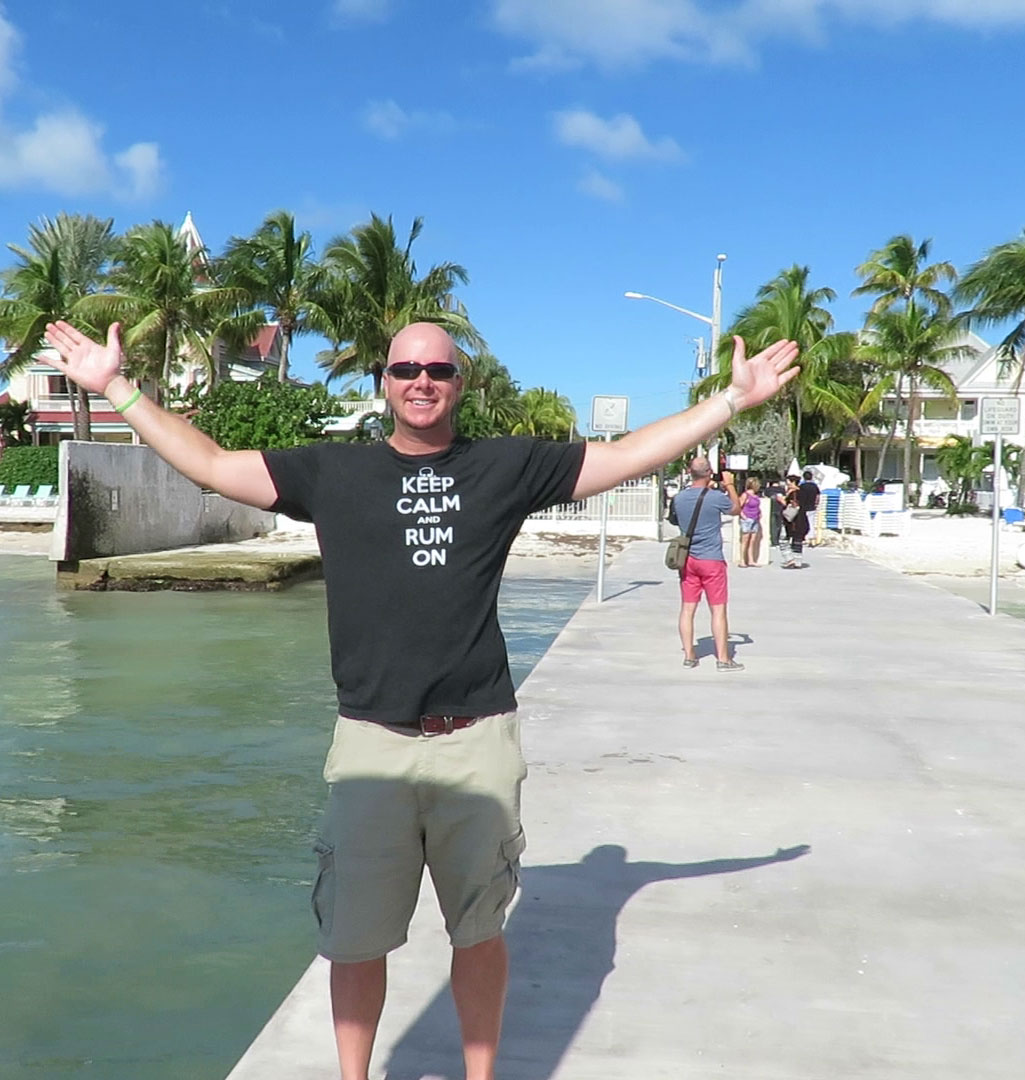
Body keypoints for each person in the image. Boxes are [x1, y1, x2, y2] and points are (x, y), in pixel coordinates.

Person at [40, 317, 798, 1080]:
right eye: (405, 369)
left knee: (480, 934)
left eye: (437, 369)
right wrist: (117, 388)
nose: (421, 380)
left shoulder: (506, 467)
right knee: (353, 940)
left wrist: (728, 404)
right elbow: (206, 462)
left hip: (478, 738)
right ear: (384, 383)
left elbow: (630, 453)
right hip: (371, 743)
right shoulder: (332, 474)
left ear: (459, 383)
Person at [670, 457, 742, 670]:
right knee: (718, 610)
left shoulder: (679, 498)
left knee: (687, 609)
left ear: (689, 472)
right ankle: (723, 659)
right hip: (711, 559)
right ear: (710, 473)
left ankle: (689, 656)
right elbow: (736, 509)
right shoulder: (715, 497)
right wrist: (729, 483)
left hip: (688, 559)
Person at [779, 477, 809, 569]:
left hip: (792, 520)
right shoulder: (804, 493)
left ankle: (789, 559)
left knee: (783, 540)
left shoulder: (793, 493)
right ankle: (798, 561)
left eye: (788, 482)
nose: (787, 484)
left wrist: (781, 499)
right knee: (797, 541)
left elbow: (788, 504)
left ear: (793, 482)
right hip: (803, 519)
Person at [737, 476, 762, 568]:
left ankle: (751, 560)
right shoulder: (745, 495)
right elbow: (739, 506)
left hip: (755, 519)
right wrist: (743, 516)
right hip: (747, 519)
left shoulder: (756, 496)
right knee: (745, 541)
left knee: (752, 541)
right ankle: (742, 560)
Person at [798, 469, 821, 547]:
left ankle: (804, 538)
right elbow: (818, 496)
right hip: (812, 507)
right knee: (811, 522)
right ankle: (811, 540)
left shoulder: (802, 486)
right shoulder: (815, 486)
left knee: (803, 524)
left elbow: (799, 496)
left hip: (803, 507)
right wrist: (816, 504)